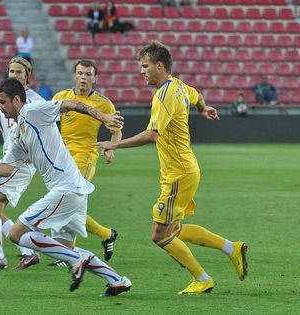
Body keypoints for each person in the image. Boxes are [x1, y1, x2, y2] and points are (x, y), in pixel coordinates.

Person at [95, 41, 248, 294]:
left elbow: (151, 135)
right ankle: (233, 249)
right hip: (184, 171)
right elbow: (196, 95)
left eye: (145, 66)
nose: (141, 72)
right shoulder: (178, 86)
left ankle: (202, 278)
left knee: (160, 235)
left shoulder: (164, 95)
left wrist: (114, 145)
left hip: (178, 174)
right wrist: (203, 108)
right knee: (174, 229)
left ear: (159, 65)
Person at [0, 78, 131, 296]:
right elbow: (7, 169)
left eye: (2, 102)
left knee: (16, 233)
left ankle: (77, 260)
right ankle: (117, 280)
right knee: (64, 248)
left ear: (16, 99)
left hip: (66, 188)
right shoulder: (17, 133)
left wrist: (103, 116)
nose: (0, 108)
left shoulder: (33, 110)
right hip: (74, 189)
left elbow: (70, 104)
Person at [48, 59, 121, 268]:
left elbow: (116, 131)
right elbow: (48, 124)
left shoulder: (104, 104)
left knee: (68, 199)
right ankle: (106, 234)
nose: (84, 77)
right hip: (61, 158)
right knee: (65, 202)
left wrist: (111, 147)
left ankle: (67, 254)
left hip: (86, 157)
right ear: (74, 75)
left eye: (88, 74)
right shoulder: (61, 98)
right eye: (80, 73)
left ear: (95, 78)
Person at [0, 56, 44, 269]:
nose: (14, 75)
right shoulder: (2, 99)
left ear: (27, 76)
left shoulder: (37, 103)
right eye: (11, 71)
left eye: (18, 72)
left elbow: (45, 132)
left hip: (19, 163)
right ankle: (28, 252)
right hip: (7, 160)